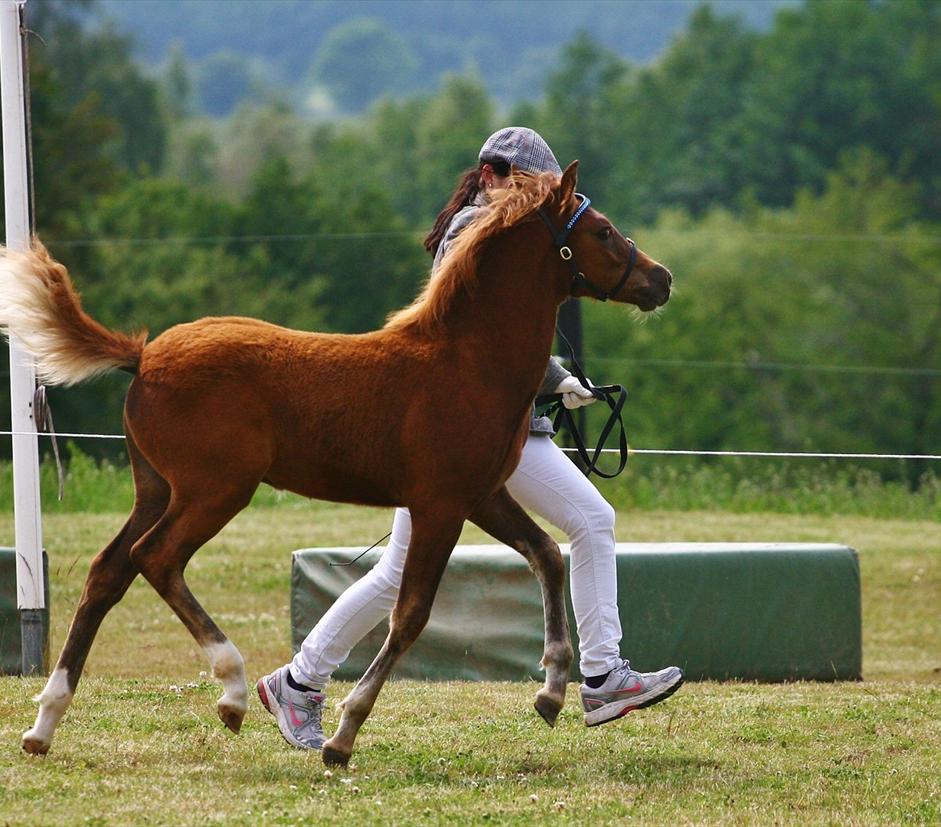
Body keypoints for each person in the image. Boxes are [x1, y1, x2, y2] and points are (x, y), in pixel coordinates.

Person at [257, 127, 683, 750]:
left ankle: (296, 682)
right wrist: (557, 378)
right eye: (523, 183)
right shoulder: (474, 230)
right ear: (492, 176)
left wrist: (560, 379)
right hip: (471, 432)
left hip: (499, 426)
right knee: (585, 522)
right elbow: (474, 335)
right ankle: (601, 676)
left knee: (404, 570)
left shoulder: (515, 229)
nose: (533, 196)